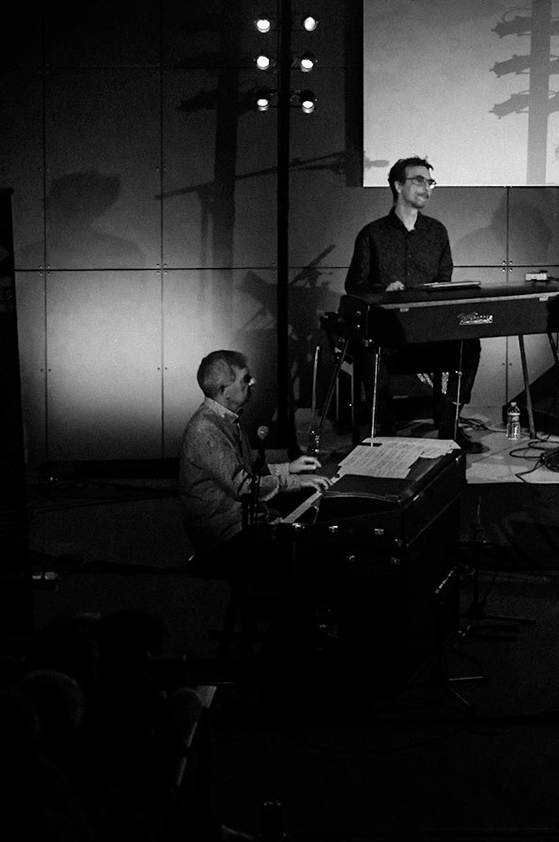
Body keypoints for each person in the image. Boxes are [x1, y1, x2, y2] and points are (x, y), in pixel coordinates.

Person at [345, 156, 484, 452]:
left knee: (469, 343)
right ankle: (384, 429)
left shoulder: (436, 232)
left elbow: (443, 280)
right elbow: (354, 285)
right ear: (398, 185)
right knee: (370, 350)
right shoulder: (373, 233)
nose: (426, 187)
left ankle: (449, 425)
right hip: (388, 333)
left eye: (429, 182)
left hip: (428, 330)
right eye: (418, 180)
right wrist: (384, 289)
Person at [177, 350, 328, 579]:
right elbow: (245, 487)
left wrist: (289, 468)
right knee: (306, 554)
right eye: (245, 379)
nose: (253, 382)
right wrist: (299, 481)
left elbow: (246, 472)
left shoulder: (226, 418)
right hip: (223, 535)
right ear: (223, 391)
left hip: (239, 519)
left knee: (309, 521)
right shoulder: (205, 430)